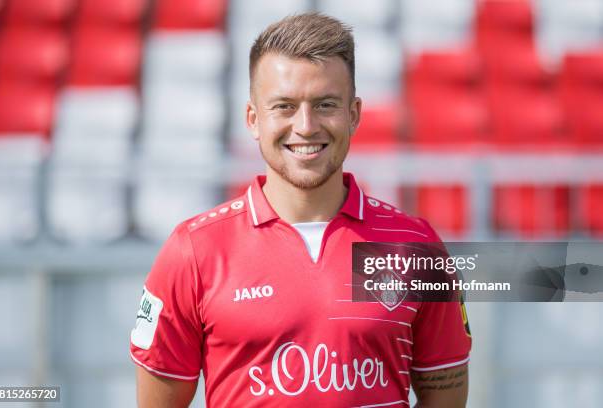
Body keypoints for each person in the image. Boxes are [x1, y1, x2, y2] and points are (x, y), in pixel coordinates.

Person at [130, 12, 471, 408]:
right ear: (253, 120)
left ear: (354, 114)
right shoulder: (195, 250)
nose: (306, 126)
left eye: (325, 104)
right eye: (285, 107)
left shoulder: (415, 247)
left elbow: (445, 396)